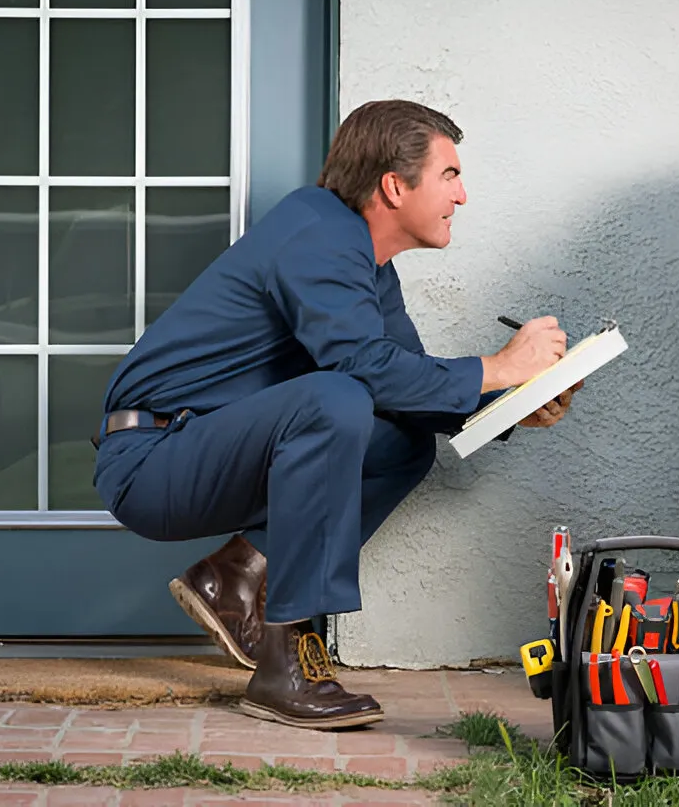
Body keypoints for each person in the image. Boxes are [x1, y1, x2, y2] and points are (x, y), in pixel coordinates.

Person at [91, 99, 583, 730]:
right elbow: (363, 369)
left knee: (404, 442)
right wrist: (501, 365)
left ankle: (235, 578)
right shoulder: (317, 231)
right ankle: (282, 666)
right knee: (339, 396)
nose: (462, 196)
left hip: (200, 446)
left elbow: (409, 388)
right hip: (152, 460)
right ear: (394, 186)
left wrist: (515, 405)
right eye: (449, 175)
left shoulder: (368, 266)